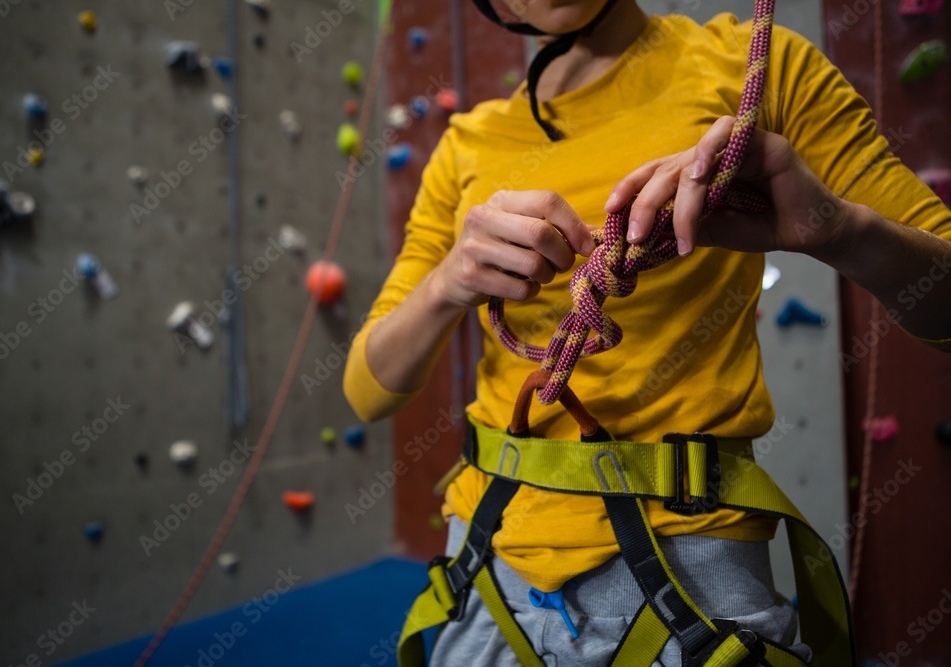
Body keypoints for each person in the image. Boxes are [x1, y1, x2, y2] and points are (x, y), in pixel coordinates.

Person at [344, 0, 951, 664]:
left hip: (691, 580)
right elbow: (369, 390)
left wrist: (840, 231)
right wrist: (448, 282)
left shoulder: (758, 67)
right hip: (489, 571)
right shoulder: (469, 143)